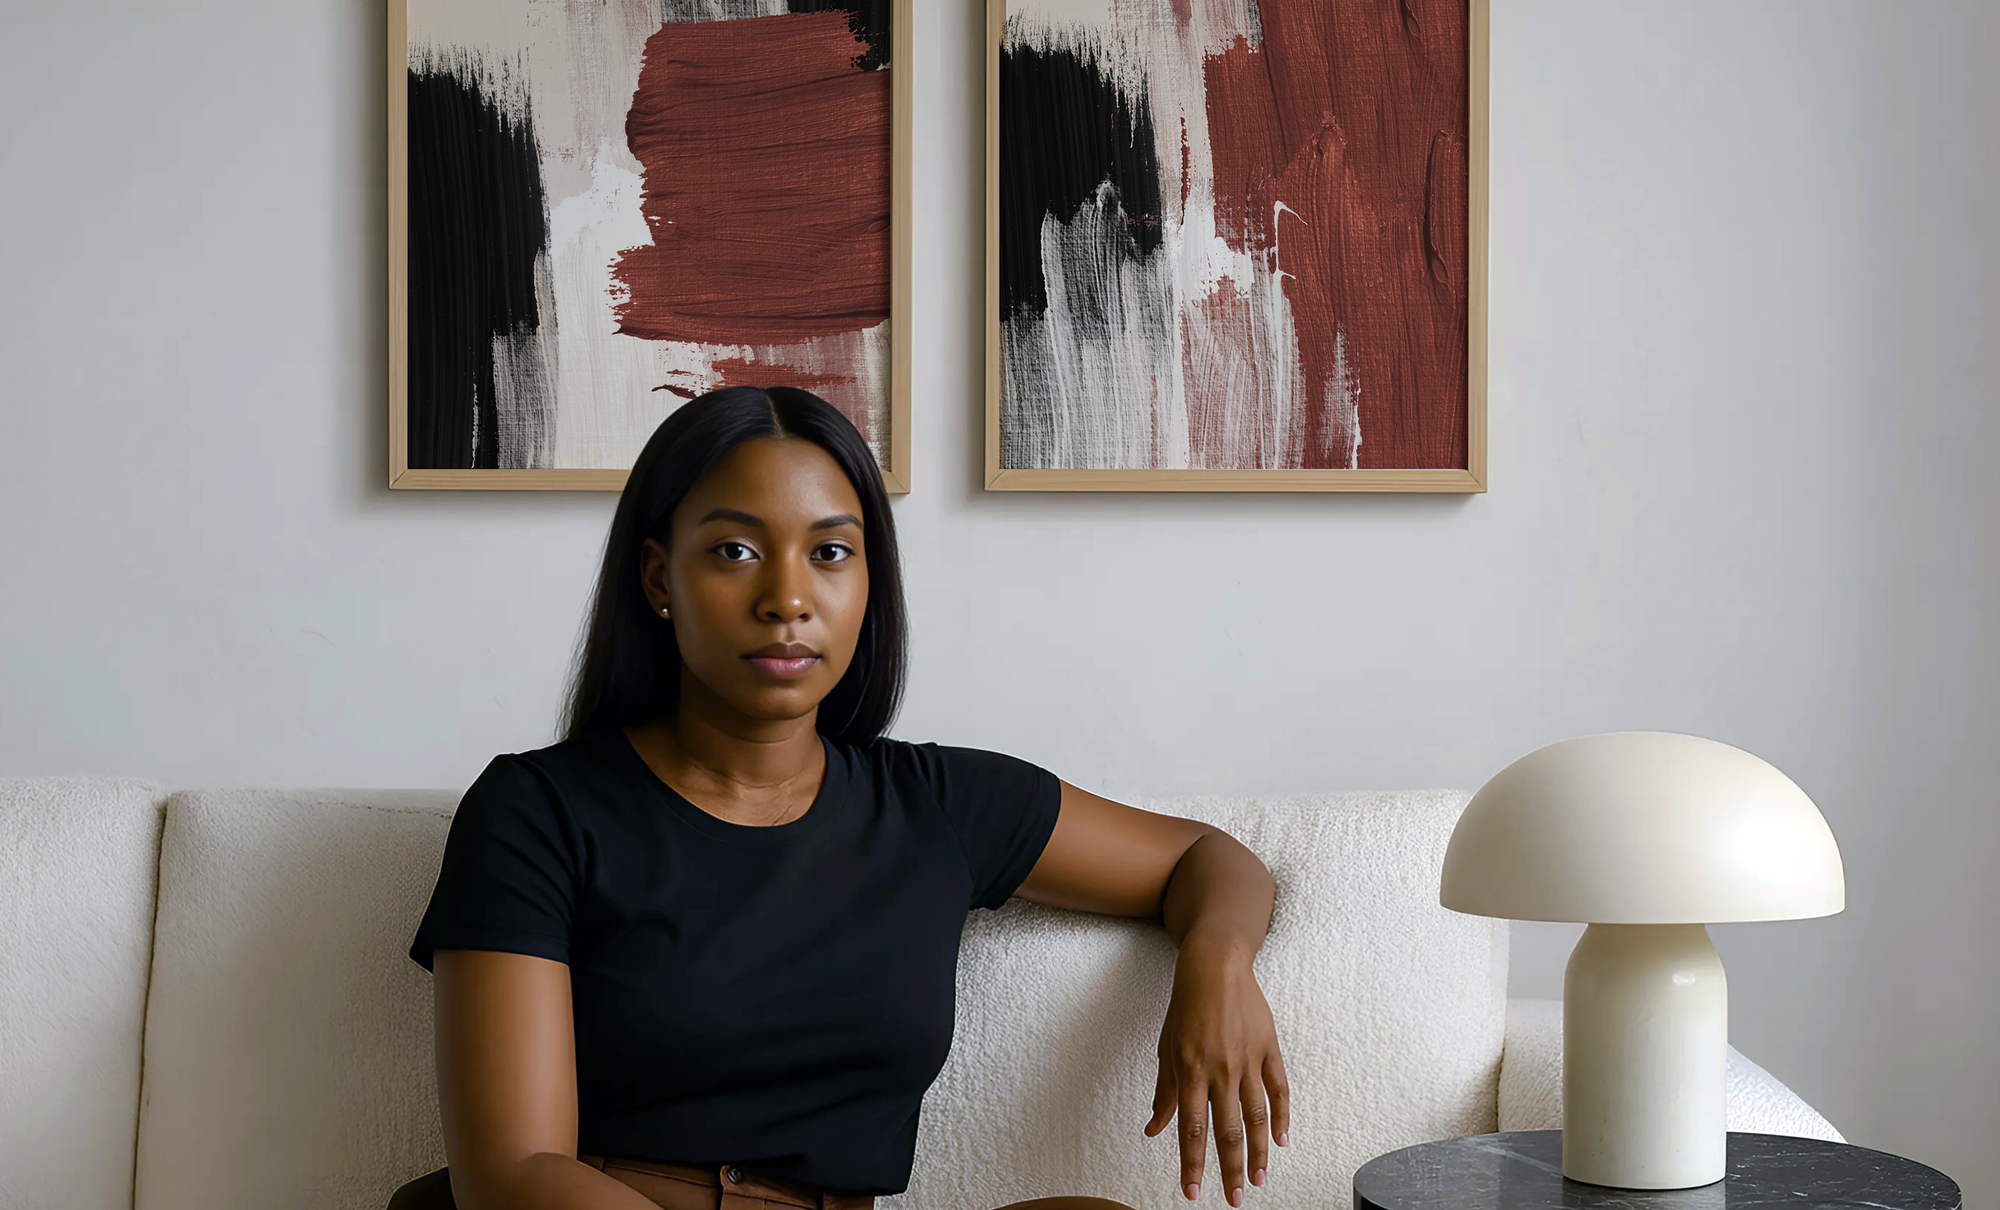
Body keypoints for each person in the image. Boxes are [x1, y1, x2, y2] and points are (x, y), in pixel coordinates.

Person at [387, 387, 1288, 1210]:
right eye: (735, 551)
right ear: (660, 579)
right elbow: (514, 1174)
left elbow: (1203, 861)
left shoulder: (935, 803)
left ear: (868, 582)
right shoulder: (536, 812)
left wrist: (1216, 963)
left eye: (828, 552)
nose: (787, 597)